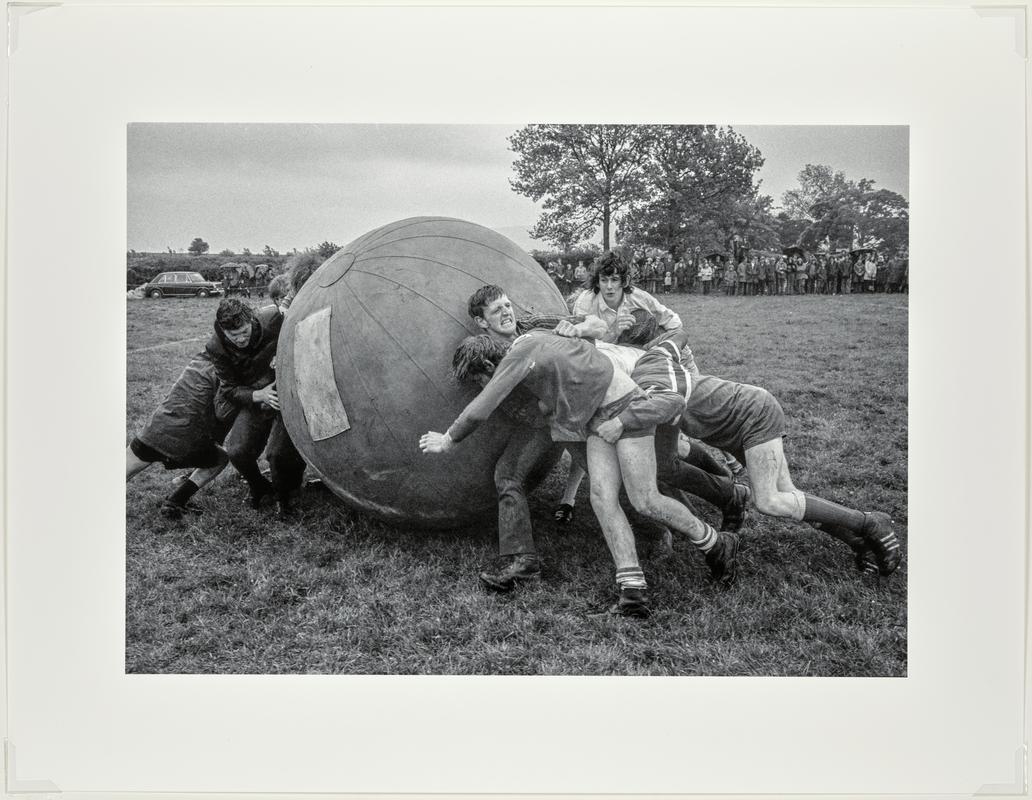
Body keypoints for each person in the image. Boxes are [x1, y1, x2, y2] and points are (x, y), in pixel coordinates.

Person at [421, 322, 741, 617]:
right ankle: (633, 595)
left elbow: (481, 408)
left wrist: (448, 439)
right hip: (596, 419)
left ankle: (716, 542)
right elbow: (573, 361)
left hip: (625, 407)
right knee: (601, 497)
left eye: (478, 378)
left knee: (645, 498)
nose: (480, 384)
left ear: (489, 365)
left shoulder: (517, 355)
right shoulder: (535, 339)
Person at [457, 285, 606, 592]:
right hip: (541, 422)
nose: (507, 313)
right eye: (497, 310)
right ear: (481, 321)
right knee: (507, 474)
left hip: (572, 410)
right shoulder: (483, 352)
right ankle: (523, 562)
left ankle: (667, 519)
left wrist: (577, 328)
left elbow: (596, 324)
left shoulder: (536, 326)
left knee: (608, 476)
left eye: (507, 305)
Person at [206, 298, 307, 519]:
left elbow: (303, 329)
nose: (241, 339)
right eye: (234, 336)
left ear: (252, 319)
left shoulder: (274, 318)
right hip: (255, 397)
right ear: (223, 331)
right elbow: (229, 389)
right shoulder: (216, 347)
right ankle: (259, 486)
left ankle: (287, 498)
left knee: (278, 455)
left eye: (244, 331)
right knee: (237, 450)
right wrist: (257, 395)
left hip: (287, 392)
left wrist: (284, 355)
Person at [126, 353, 231, 520]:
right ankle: (177, 500)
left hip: (154, 430)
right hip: (183, 441)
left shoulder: (199, 360)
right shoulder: (227, 370)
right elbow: (223, 412)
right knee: (221, 458)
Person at [572, 250, 682, 342]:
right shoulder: (585, 302)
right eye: (604, 280)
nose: (609, 286)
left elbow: (672, 321)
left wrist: (670, 347)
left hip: (636, 352)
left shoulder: (639, 297)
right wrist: (614, 332)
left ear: (625, 281)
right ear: (597, 282)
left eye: (614, 280)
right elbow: (582, 347)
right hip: (599, 356)